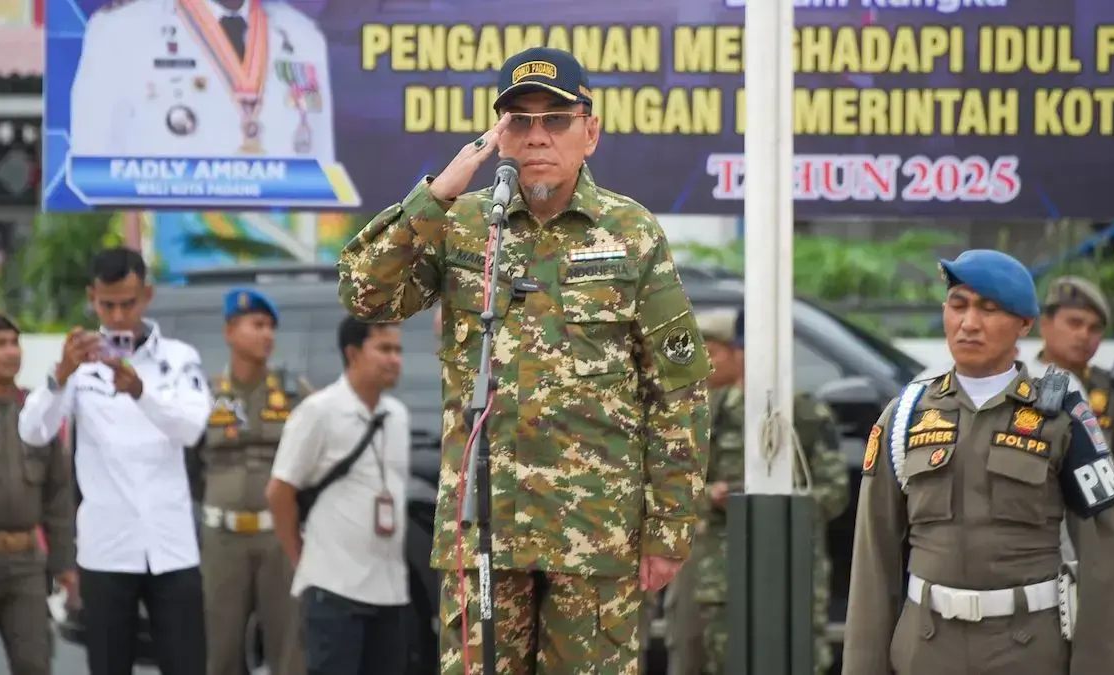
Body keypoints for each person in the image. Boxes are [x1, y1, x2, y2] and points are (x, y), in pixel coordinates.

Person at [337, 46, 712, 674]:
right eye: (520, 120)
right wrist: (439, 192)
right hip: (484, 528)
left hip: (593, 533)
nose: (538, 136)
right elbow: (363, 292)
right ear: (498, 132)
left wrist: (668, 529)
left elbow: (677, 389)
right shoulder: (461, 225)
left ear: (590, 132)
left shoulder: (631, 231)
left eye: (556, 120)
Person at [843, 249, 1114, 675]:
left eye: (989, 309)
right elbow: (874, 557)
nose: (969, 323)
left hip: (1027, 648)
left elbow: (1103, 560)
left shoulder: (1062, 416)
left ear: (1024, 324)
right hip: (925, 649)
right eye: (958, 305)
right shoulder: (905, 415)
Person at [17, 246, 213, 675]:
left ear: (147, 295)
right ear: (92, 297)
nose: (119, 316)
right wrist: (59, 377)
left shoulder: (179, 359)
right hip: (106, 549)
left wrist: (141, 392)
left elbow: (192, 428)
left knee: (188, 664)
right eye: (107, 305)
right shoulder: (79, 363)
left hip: (172, 545)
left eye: (128, 303)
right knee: (109, 665)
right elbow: (32, 431)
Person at [682, 308, 848, 675]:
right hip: (724, 571)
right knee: (727, 659)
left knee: (804, 658)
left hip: (795, 564)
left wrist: (779, 506)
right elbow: (678, 488)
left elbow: (835, 492)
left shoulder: (803, 412)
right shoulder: (711, 411)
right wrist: (716, 495)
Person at [265, 317, 409, 675]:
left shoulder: (398, 416)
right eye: (384, 349)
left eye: (398, 350)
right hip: (334, 589)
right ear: (353, 353)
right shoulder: (318, 412)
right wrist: (302, 559)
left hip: (390, 592)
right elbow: (279, 492)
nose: (395, 359)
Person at [200, 288, 310, 675]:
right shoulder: (204, 394)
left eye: (270, 327)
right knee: (222, 650)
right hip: (222, 539)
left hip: (277, 536)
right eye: (257, 325)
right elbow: (188, 465)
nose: (267, 335)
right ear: (230, 331)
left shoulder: (294, 393)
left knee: (288, 649)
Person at [70, 0, 334, 159]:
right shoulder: (120, 30)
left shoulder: (302, 35)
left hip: (284, 236)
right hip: (171, 233)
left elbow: (322, 164)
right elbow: (91, 164)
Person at [0, 311, 76, 675]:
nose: (12, 352)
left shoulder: (38, 409)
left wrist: (65, 564)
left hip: (26, 567)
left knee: (35, 664)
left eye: (15, 343)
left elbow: (59, 495)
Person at [1032, 276, 1114, 502]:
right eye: (1074, 323)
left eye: (1094, 328)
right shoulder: (1016, 380)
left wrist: (1099, 530)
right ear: (1045, 325)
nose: (1084, 335)